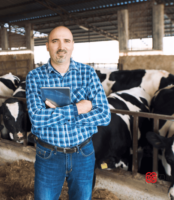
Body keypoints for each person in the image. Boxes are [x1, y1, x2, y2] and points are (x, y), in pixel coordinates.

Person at [26, 26, 111, 200]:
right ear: (47, 46)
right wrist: (77, 108)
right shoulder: (34, 76)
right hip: (49, 155)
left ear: (73, 45)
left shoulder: (87, 74)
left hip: (83, 153)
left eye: (66, 41)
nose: (61, 46)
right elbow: (36, 118)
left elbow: (104, 115)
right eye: (55, 41)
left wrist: (56, 114)